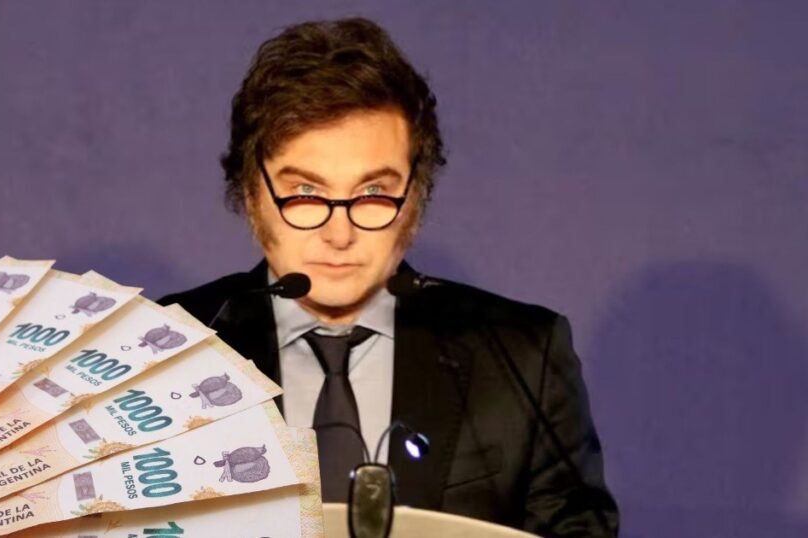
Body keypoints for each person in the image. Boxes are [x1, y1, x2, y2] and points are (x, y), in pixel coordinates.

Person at [159, 17, 618, 537]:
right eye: (305, 194)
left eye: (373, 194)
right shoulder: (166, 350)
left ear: (415, 202)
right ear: (251, 194)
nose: (339, 232)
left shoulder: (522, 358)